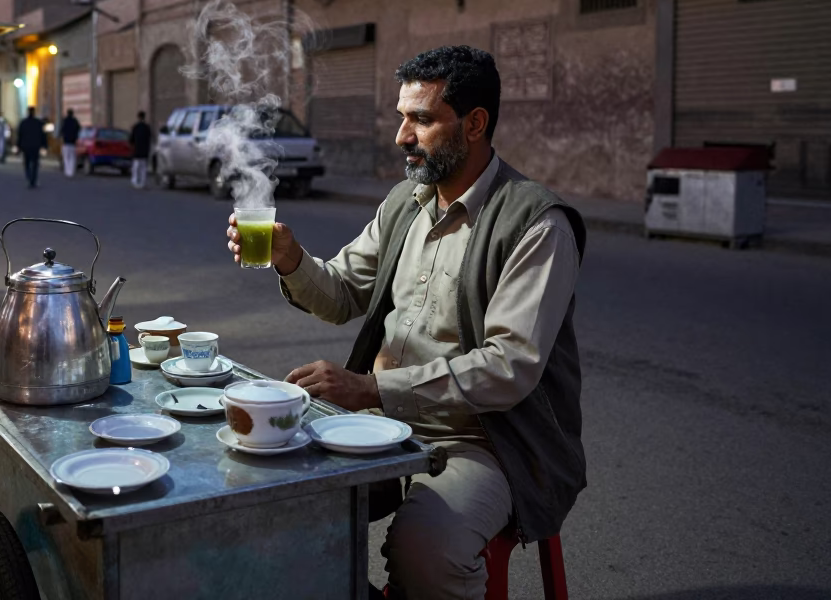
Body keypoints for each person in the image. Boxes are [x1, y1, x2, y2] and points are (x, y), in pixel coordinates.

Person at [225, 47, 586, 600]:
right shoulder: (407, 203)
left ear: (475, 123)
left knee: (426, 551)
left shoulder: (536, 224)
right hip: (379, 420)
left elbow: (509, 368)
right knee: (266, 492)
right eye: (402, 117)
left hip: (484, 440)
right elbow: (344, 292)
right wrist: (291, 259)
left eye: (421, 119)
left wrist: (370, 387)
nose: (401, 136)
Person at [16, 106, 46, 188]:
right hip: (35, 146)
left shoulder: (23, 123)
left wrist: (18, 146)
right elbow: (43, 135)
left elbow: (20, 135)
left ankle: (29, 178)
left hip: (26, 146)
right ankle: (33, 179)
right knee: (35, 163)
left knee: (27, 163)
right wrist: (44, 145)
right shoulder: (38, 123)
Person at [129, 111, 152, 189]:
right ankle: (143, 182)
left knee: (136, 166)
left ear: (138, 117)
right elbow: (149, 138)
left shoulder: (135, 127)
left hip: (137, 150)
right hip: (145, 150)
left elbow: (131, 139)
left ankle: (135, 181)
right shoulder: (147, 127)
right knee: (143, 167)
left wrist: (132, 145)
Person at [59, 109, 81, 178]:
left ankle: (67, 171)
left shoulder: (64, 121)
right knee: (72, 158)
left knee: (66, 158)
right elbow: (79, 129)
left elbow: (61, 131)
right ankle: (71, 172)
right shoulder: (75, 121)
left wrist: (62, 136)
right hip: (73, 142)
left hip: (65, 142)